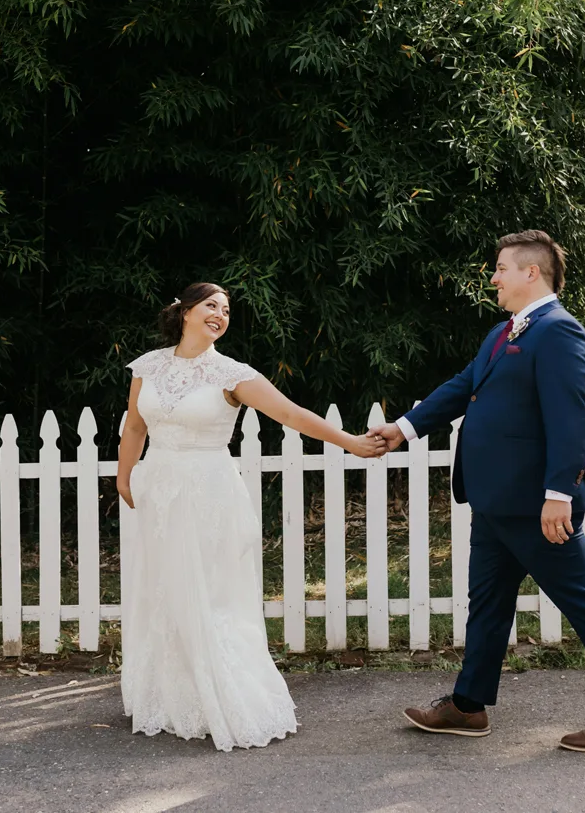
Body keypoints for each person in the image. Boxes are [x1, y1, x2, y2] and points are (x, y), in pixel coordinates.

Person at [369, 230, 585, 752]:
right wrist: (404, 427)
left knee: (584, 604)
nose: (494, 277)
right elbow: (463, 385)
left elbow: (570, 420)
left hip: (535, 505)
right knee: (488, 605)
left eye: (501, 268)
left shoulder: (560, 333)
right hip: (494, 502)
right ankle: (468, 706)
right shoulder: (502, 334)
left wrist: (558, 494)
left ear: (531, 273)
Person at [116, 281, 387, 751]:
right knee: (164, 589)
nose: (220, 314)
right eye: (210, 305)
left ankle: (229, 695)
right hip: (158, 489)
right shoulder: (148, 366)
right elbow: (136, 425)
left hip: (209, 493)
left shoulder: (232, 374)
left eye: (226, 309)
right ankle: (172, 695)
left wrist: (351, 443)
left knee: (211, 593)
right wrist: (124, 476)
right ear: (184, 312)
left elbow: (293, 415)